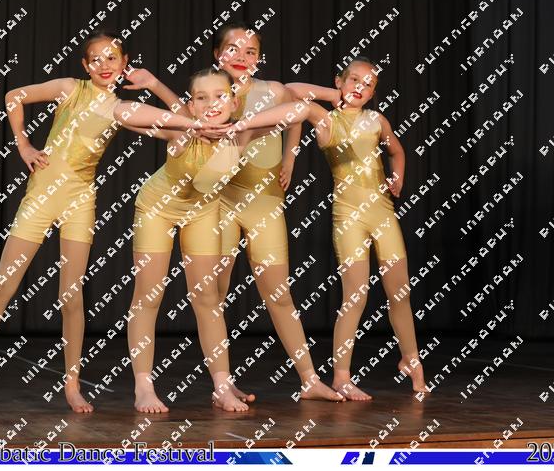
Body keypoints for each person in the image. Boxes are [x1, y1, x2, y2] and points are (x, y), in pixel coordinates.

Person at [0, 30, 218, 413]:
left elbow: (173, 125)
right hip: (41, 197)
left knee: (71, 296)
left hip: (80, 202)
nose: (104, 65)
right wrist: (24, 144)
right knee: (2, 286)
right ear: (85, 65)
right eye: (96, 58)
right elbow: (13, 96)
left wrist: (172, 102)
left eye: (112, 58)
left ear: (124, 63)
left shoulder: (121, 109)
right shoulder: (70, 88)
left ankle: (72, 383)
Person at [119, 67, 320, 412]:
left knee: (207, 298)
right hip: (158, 209)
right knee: (149, 295)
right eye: (201, 98)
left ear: (234, 101)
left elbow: (300, 109)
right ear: (191, 104)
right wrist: (187, 123)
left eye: (219, 96)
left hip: (202, 212)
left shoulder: (242, 133)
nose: (211, 104)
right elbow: (121, 111)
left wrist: (242, 125)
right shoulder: (181, 128)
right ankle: (143, 387)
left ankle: (222, 387)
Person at [211, 23, 344, 403]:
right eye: (233, 49)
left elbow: (297, 108)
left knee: (279, 294)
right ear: (217, 55)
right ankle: (222, 385)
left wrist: (289, 157)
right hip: (220, 202)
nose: (241, 57)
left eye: (250, 51)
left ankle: (309, 379)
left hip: (265, 202)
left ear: (259, 58)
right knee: (215, 295)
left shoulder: (272, 91)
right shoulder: (209, 93)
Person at [286, 57, 429, 401]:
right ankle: (341, 377)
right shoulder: (325, 119)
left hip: (383, 213)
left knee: (400, 292)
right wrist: (330, 95)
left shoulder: (376, 120)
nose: (360, 88)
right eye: (353, 80)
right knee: (356, 295)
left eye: (368, 84)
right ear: (339, 80)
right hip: (349, 216)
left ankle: (411, 359)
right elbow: (290, 91)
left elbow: (397, 151)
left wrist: (398, 177)